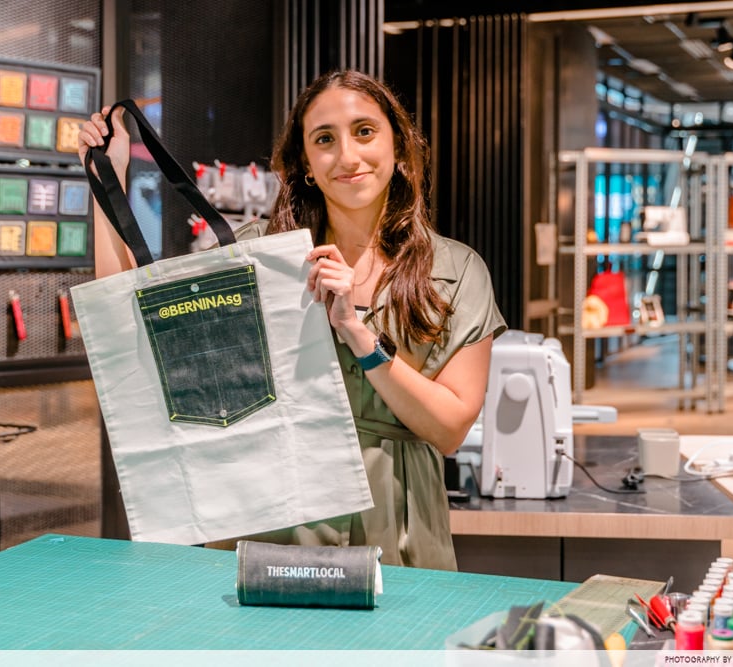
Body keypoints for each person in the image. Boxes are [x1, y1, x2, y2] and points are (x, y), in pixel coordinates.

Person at [78, 69, 506, 571]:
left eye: (365, 131)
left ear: (399, 146)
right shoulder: (261, 255)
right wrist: (108, 179)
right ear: (304, 163)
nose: (347, 156)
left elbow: (450, 428)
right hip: (270, 523)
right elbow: (132, 322)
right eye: (324, 139)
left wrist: (358, 335)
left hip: (399, 529)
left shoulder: (455, 270)